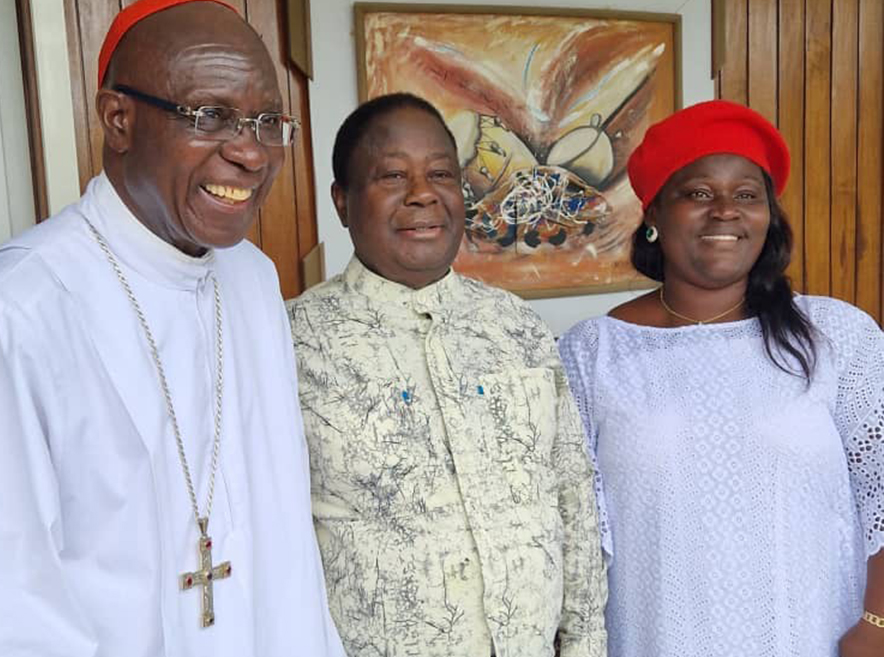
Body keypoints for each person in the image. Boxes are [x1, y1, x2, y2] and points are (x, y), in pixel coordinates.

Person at [0, 0, 344, 656]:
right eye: (211, 116)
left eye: (269, 121)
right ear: (118, 118)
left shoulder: (251, 279)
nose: (253, 154)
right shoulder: (14, 308)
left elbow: (284, 532)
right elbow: (9, 600)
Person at [558, 100, 884, 657]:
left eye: (747, 195)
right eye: (699, 193)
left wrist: (876, 625)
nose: (726, 211)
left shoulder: (836, 336)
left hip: (812, 635)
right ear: (655, 213)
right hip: (655, 637)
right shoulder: (593, 353)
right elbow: (573, 529)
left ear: (768, 216)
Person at [286, 93, 608, 657]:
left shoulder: (515, 327)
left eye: (440, 173)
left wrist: (585, 642)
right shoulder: (291, 341)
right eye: (392, 175)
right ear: (342, 202)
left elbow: (572, 497)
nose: (422, 194)